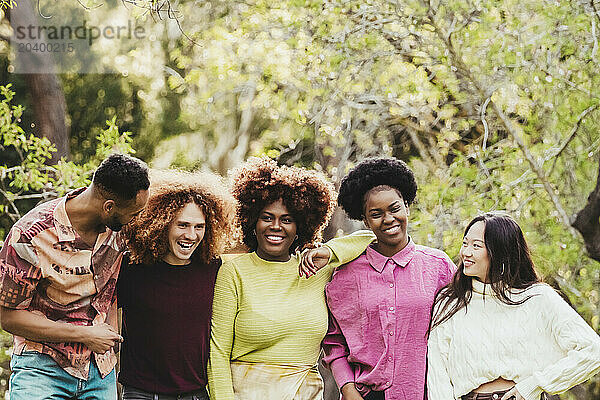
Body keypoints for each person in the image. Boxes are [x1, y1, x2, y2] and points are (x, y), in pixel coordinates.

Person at [207, 156, 373, 400]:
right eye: (267, 217)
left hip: (304, 393)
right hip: (244, 392)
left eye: (287, 220)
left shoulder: (317, 271)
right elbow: (217, 351)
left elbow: (372, 237)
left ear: (300, 227)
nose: (276, 226)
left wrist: (329, 251)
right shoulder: (234, 271)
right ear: (252, 222)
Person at [0, 153, 150, 400]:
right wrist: (85, 335)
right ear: (109, 207)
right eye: (134, 213)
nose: (138, 219)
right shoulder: (31, 235)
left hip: (100, 372)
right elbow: (9, 318)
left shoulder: (121, 230)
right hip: (41, 367)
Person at [312, 157, 456, 400]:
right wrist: (348, 389)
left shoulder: (439, 266)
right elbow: (334, 342)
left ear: (407, 208)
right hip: (365, 395)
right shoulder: (346, 275)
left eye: (395, 208)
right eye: (376, 213)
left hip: (429, 392)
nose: (388, 219)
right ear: (366, 220)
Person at [427, 212, 600, 400]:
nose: (465, 252)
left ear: (500, 251)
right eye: (465, 243)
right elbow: (438, 376)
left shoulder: (538, 297)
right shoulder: (449, 302)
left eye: (476, 246)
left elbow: (593, 351)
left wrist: (535, 385)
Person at [117, 169, 238, 400]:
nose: (191, 235)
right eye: (182, 225)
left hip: (196, 394)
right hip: (140, 393)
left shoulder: (213, 269)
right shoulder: (132, 269)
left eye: (199, 226)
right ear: (162, 224)